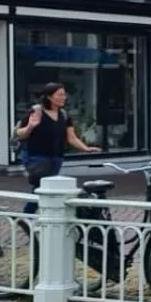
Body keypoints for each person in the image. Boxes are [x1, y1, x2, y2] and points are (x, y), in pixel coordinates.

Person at [14, 83, 100, 212]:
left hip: (56, 158)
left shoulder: (64, 115)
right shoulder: (36, 112)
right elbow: (19, 133)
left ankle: (34, 216)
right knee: (41, 187)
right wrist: (31, 126)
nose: (64, 97)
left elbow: (71, 137)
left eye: (64, 94)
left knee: (45, 189)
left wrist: (85, 148)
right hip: (37, 157)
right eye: (60, 95)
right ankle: (28, 215)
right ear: (49, 97)